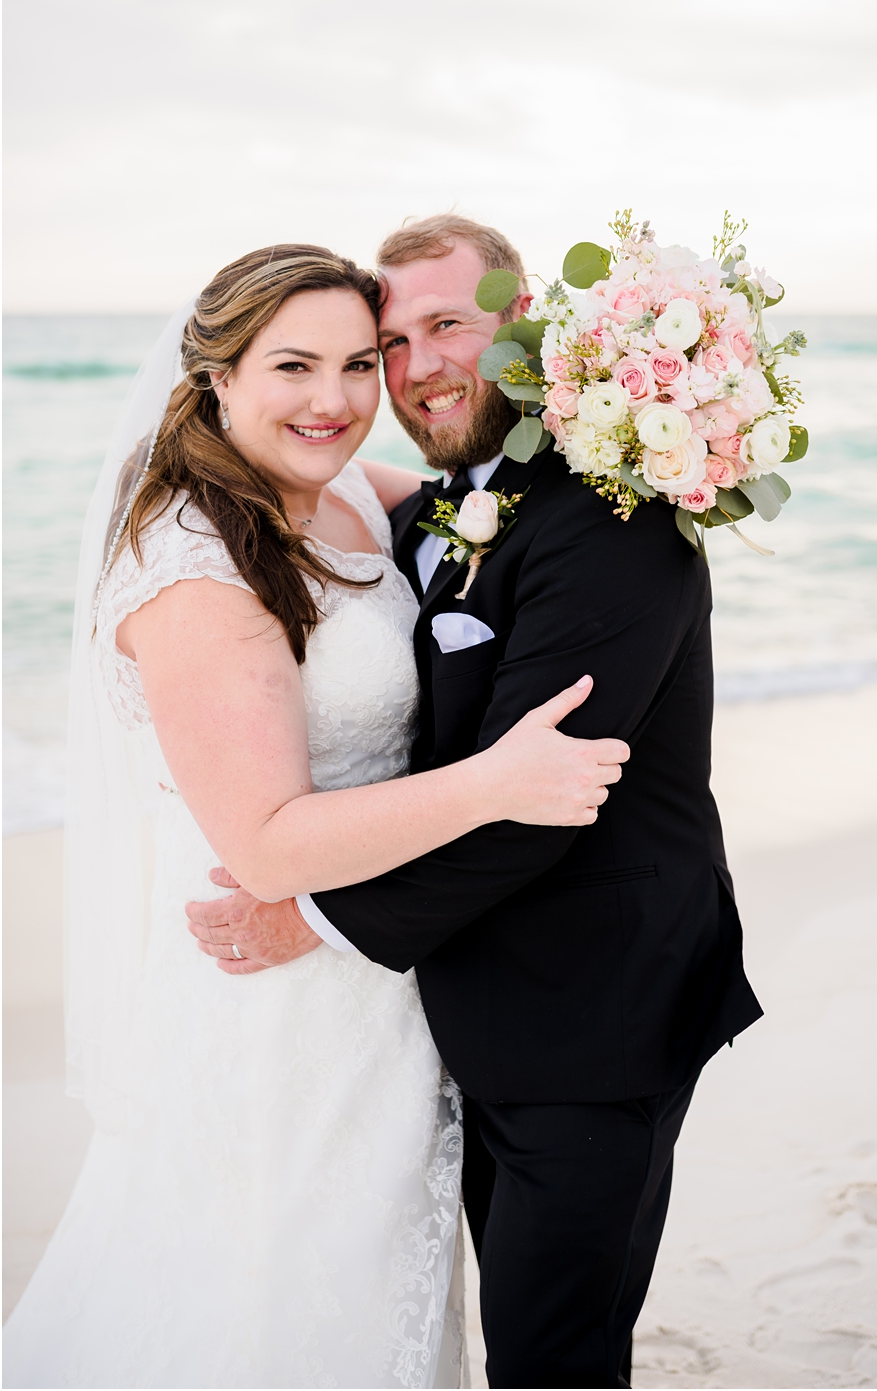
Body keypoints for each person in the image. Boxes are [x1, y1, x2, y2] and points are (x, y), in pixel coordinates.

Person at [2, 243, 630, 1390]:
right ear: (218, 377)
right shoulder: (194, 561)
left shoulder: (343, 492)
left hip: (382, 979)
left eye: (361, 359)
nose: (338, 400)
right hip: (274, 1002)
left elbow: (494, 508)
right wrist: (494, 781)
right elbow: (265, 843)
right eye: (293, 365)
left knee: (377, 1286)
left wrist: (642, 427)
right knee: (270, 1296)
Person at [186, 216, 764, 1388]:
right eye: (388, 343)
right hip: (474, 1004)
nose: (418, 366)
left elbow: (533, 795)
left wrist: (314, 920)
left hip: (596, 1008)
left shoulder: (613, 518)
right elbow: (341, 507)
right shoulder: (450, 506)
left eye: (449, 323)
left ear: (531, 328)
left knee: (554, 1352)